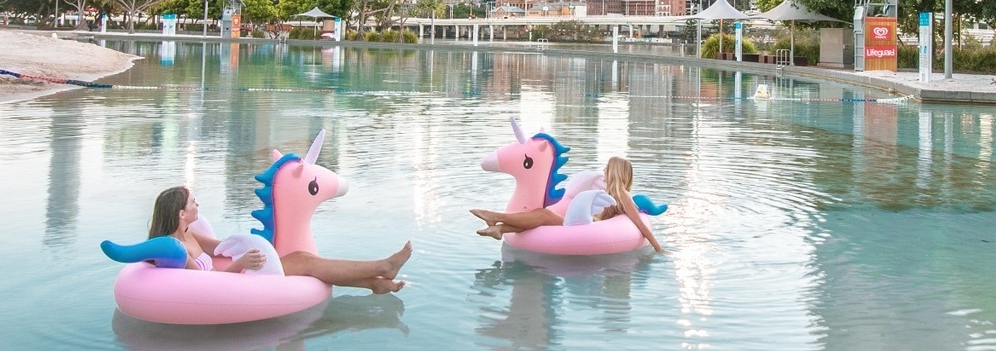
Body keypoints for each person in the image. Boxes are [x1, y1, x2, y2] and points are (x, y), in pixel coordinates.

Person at [149, 186, 411, 293]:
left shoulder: (190, 233)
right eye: (193, 203)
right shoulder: (178, 249)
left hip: (236, 274)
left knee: (301, 258)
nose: (198, 205)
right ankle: (382, 268)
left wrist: (254, 244)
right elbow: (206, 286)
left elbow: (222, 248)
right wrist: (242, 262)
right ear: (181, 213)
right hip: (230, 285)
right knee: (305, 262)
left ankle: (373, 283)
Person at [471, 156, 664, 253]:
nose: (603, 170)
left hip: (585, 230)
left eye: (607, 168)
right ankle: (501, 228)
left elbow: (640, 225)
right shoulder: (610, 192)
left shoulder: (623, 195)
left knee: (543, 215)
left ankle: (496, 217)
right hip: (582, 225)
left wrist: (658, 248)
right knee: (542, 217)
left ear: (615, 172)